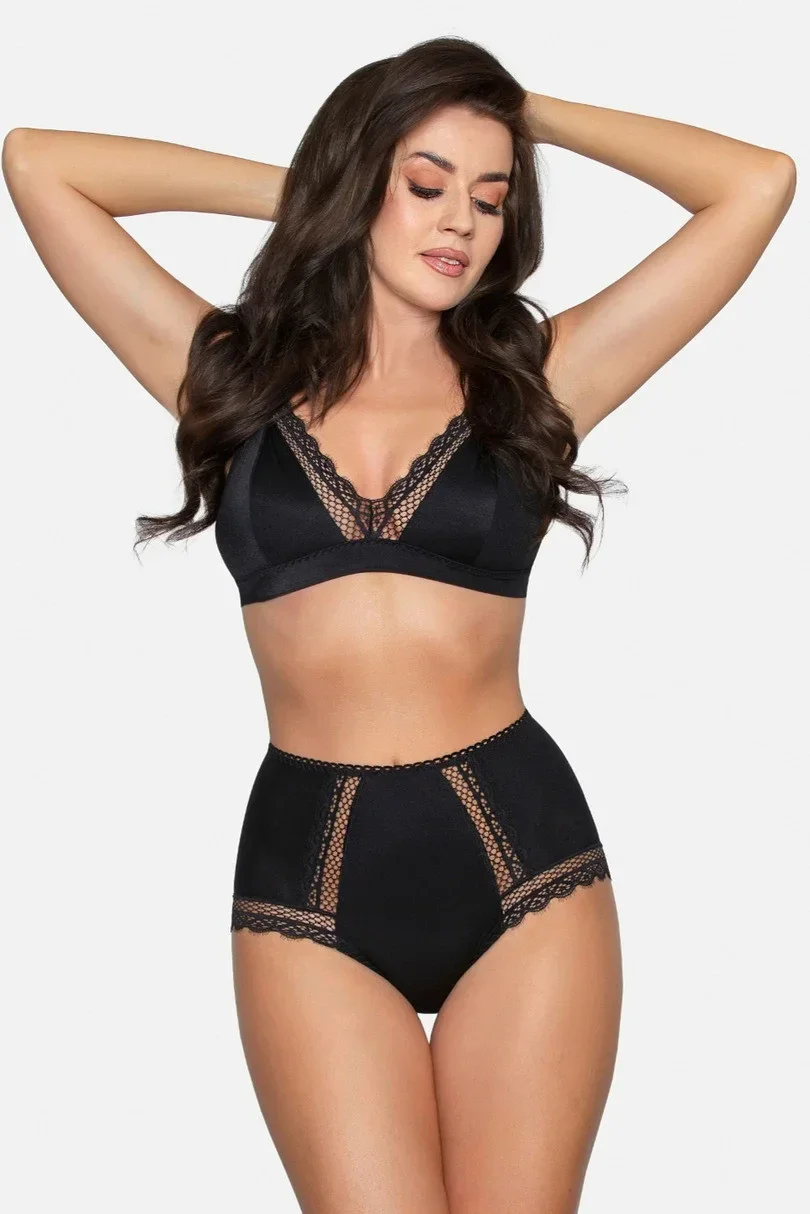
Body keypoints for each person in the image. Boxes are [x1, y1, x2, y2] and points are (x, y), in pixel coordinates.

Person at [3, 34, 794, 1214]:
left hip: (521, 863)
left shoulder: (540, 379)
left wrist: (521, 108)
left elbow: (757, 183)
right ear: (363, 180)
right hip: (306, 877)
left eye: (492, 194)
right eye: (425, 184)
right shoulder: (228, 380)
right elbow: (39, 164)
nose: (461, 220)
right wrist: (315, 191)